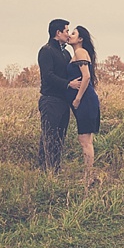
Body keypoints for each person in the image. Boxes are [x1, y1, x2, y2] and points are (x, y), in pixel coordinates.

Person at [37, 19, 82, 173]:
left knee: (60, 138)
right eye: (66, 31)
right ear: (58, 33)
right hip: (50, 100)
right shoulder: (46, 51)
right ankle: (45, 171)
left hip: (63, 102)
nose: (68, 34)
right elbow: (48, 76)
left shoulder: (65, 53)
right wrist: (68, 84)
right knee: (48, 137)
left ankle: (55, 170)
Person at [66, 25, 100, 190]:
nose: (70, 36)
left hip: (85, 100)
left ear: (80, 39)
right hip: (86, 99)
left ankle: (88, 178)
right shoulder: (77, 54)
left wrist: (78, 98)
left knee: (85, 140)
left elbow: (86, 77)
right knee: (86, 140)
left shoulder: (80, 52)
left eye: (73, 34)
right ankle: (89, 176)